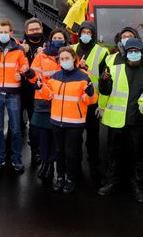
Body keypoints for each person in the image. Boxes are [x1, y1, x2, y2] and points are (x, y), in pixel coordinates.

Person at [36, 46, 96, 194]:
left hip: (75, 123)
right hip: (56, 121)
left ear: (74, 59)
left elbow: (92, 99)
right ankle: (60, 177)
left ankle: (71, 179)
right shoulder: (55, 76)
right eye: (62, 59)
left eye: (67, 58)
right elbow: (48, 95)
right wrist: (39, 88)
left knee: (71, 153)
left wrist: (89, 93)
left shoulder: (83, 77)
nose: (64, 61)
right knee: (59, 151)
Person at [0, 19, 32, 172]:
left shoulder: (19, 50)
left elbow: (25, 67)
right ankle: (0, 158)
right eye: (0, 32)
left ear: (11, 33)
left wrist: (22, 74)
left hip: (13, 94)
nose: (3, 34)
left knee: (16, 128)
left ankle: (16, 159)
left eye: (5, 32)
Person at [97, 38, 143, 203]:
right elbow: (106, 90)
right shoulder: (116, 68)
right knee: (113, 153)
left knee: (137, 155)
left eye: (136, 51)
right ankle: (111, 182)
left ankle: (137, 185)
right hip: (117, 120)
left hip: (138, 121)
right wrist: (103, 80)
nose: (133, 54)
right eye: (130, 51)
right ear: (126, 53)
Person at [28, 28, 70, 181]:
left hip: (60, 102)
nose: (57, 40)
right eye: (55, 37)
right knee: (43, 135)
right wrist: (31, 75)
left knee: (56, 137)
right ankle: (46, 163)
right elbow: (34, 76)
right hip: (43, 101)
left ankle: (53, 163)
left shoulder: (68, 56)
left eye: (60, 38)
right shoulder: (41, 55)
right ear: (51, 39)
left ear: (65, 40)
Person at [72, 21, 108, 185]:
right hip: (75, 102)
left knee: (92, 138)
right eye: (83, 32)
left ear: (93, 34)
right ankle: (76, 169)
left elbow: (103, 80)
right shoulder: (71, 49)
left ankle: (94, 167)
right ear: (79, 33)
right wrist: (78, 67)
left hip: (92, 103)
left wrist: (101, 105)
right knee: (76, 137)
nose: (85, 35)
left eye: (89, 32)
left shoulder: (102, 52)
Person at [20, 18, 46, 166]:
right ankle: (13, 154)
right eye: (31, 30)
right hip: (20, 91)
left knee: (36, 126)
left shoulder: (48, 46)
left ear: (41, 29)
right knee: (16, 124)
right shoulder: (19, 46)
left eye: (37, 29)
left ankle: (35, 152)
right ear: (26, 32)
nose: (35, 32)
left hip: (38, 93)